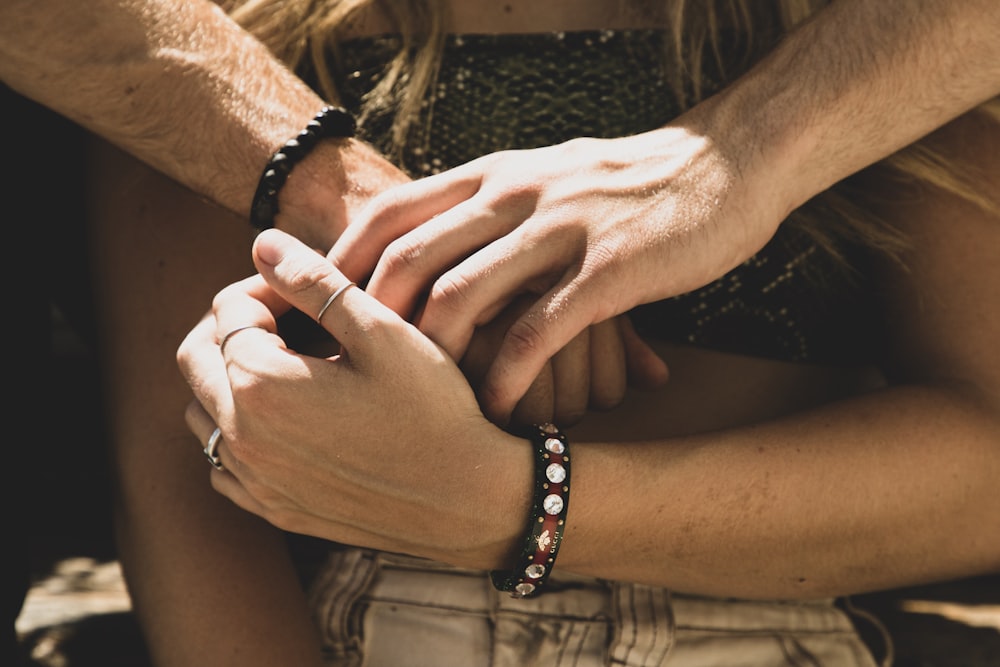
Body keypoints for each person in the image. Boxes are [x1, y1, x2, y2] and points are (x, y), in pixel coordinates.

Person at [4, 1, 999, 666]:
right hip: (381, 631)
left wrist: (524, 502)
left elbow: (982, 452)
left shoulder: (857, 41)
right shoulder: (238, 51)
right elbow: (182, 482)